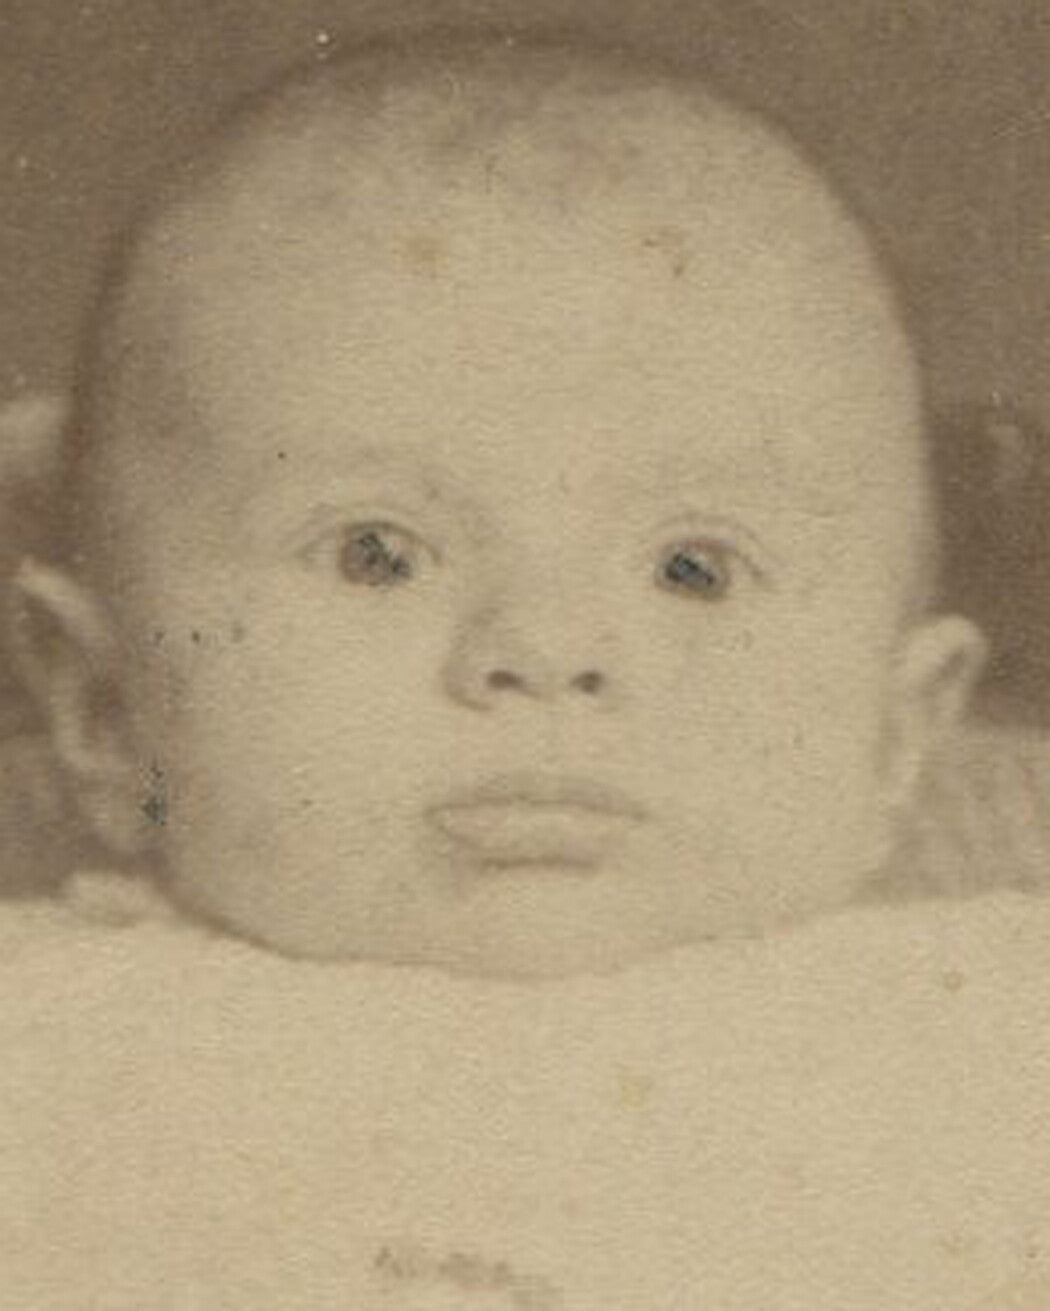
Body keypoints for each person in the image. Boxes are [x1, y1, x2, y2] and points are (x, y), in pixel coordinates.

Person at [2, 26, 1049, 1308]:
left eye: (695, 569)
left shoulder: (993, 1037)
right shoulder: (42, 1046)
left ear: (903, 735)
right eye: (379, 552)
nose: (545, 654)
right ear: (103, 708)